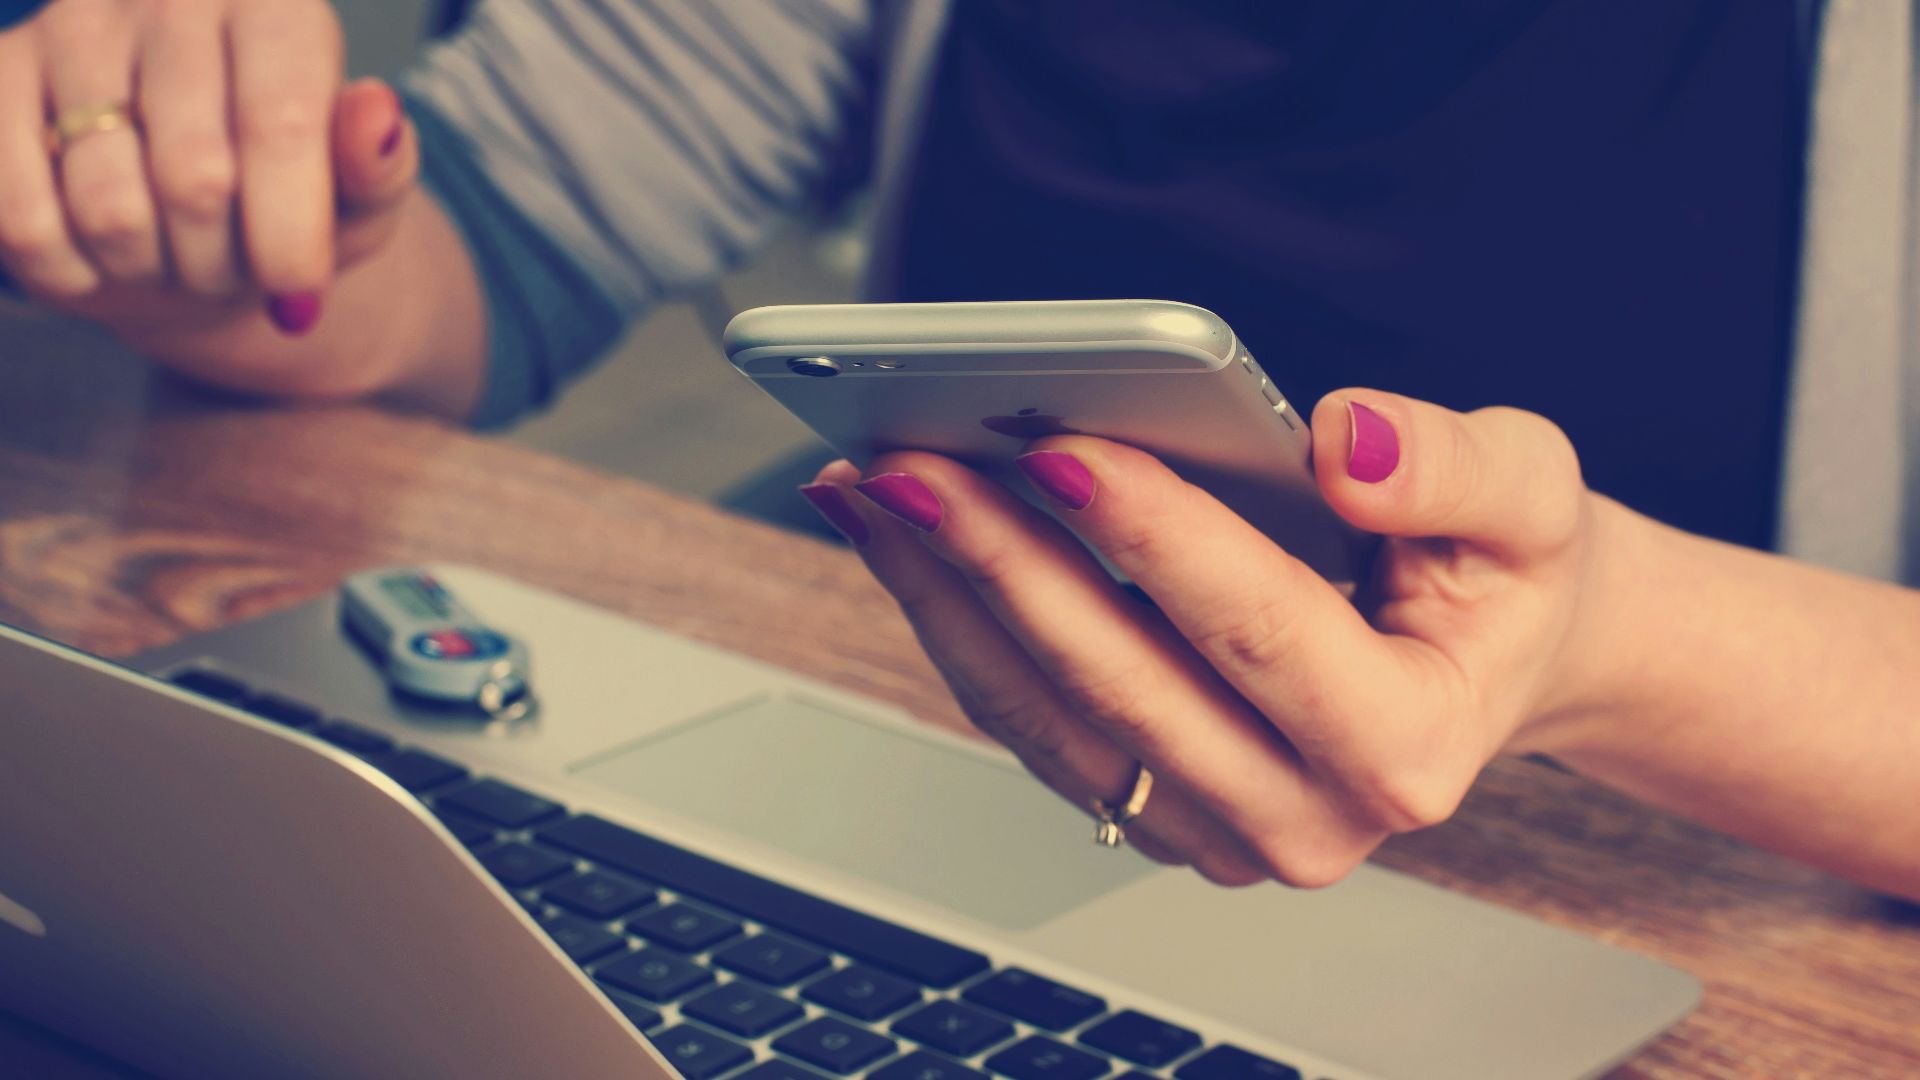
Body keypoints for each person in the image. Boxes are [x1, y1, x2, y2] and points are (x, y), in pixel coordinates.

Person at [0, 0, 1915, 898]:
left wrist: (1603, 641)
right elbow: (498, 234)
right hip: (925, 819)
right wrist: (235, 222)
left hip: (1701, 929)